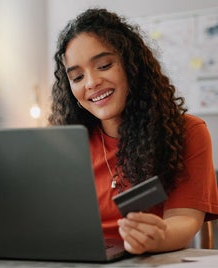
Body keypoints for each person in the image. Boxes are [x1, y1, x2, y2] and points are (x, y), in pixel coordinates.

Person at [48, 8, 218, 254]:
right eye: (76, 77)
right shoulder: (67, 144)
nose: (91, 83)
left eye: (104, 65)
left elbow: (183, 218)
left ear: (132, 66)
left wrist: (157, 238)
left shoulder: (188, 132)